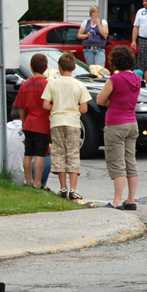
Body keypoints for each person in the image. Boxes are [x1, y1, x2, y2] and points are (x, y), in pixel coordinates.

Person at [95, 45, 142, 210]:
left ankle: (116, 200)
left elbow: (100, 99)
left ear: (114, 62)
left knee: (117, 162)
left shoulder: (114, 79)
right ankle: (131, 200)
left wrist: (110, 101)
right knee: (131, 161)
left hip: (116, 123)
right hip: (132, 122)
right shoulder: (136, 78)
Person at [42, 52, 91, 199]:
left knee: (59, 153)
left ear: (59, 67)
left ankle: (63, 187)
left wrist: (57, 107)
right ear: (75, 67)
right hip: (73, 122)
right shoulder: (79, 85)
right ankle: (73, 189)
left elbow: (45, 104)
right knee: (73, 154)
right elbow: (84, 108)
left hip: (57, 121)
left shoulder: (52, 84)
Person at [14, 53, 52, 189]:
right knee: (40, 154)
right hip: (42, 124)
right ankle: (37, 182)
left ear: (31, 67)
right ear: (46, 67)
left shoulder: (25, 84)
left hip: (29, 123)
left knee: (28, 153)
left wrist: (24, 123)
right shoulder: (47, 85)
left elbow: (22, 108)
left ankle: (28, 180)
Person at [0, 107, 25, 184]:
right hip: (19, 178)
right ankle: (38, 185)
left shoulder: (0, 128)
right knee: (45, 158)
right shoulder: (26, 129)